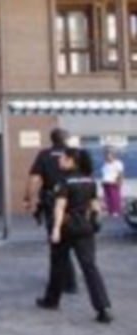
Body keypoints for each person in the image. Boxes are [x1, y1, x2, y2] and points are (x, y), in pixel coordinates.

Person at [36, 148, 113, 324]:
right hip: (85, 229)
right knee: (90, 267)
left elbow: (60, 207)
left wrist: (55, 229)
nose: (59, 160)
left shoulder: (63, 181)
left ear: (71, 161)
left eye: (63, 158)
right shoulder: (90, 180)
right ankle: (103, 308)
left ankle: (51, 300)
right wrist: (95, 222)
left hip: (66, 228)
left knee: (58, 264)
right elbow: (95, 206)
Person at [25, 128, 78, 294]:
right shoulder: (74, 154)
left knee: (56, 240)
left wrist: (28, 198)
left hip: (53, 201)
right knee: (70, 240)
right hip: (74, 201)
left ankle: (65, 280)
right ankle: (68, 279)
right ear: (65, 139)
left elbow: (34, 179)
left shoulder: (44, 155)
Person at [101, 148, 124, 217]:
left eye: (109, 155)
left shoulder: (117, 163)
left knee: (115, 197)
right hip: (106, 182)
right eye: (106, 156)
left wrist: (119, 181)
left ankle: (115, 211)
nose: (107, 157)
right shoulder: (105, 164)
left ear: (113, 156)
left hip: (114, 182)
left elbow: (120, 173)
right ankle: (110, 210)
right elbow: (104, 174)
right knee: (107, 197)